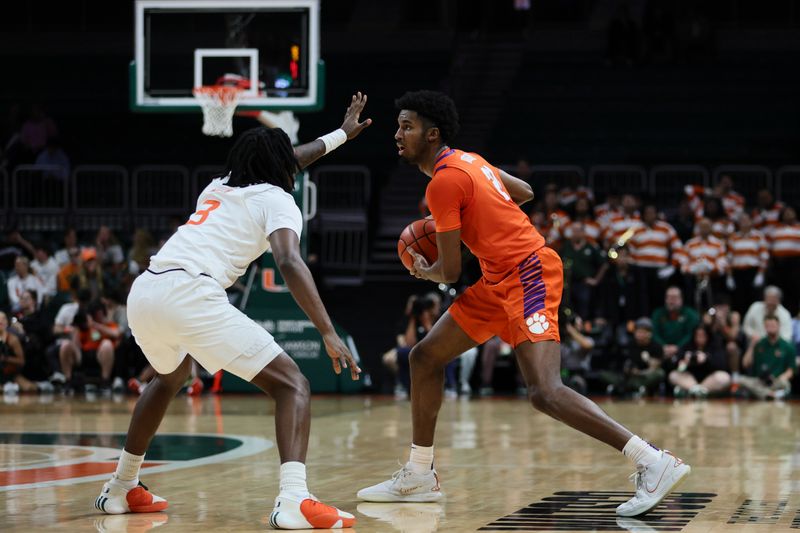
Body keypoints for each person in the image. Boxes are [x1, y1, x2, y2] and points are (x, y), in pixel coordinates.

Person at [357, 90, 690, 517]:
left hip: (528, 272)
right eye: (398, 125)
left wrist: (424, 270)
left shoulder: (444, 181)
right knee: (424, 358)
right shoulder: (469, 161)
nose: (398, 134)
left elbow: (451, 272)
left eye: (407, 126)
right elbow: (526, 191)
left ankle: (653, 461)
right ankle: (420, 474)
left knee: (545, 392)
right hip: (498, 280)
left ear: (432, 133)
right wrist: (488, 214)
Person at [92, 92, 370, 530]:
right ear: (281, 168)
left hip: (146, 290)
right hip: (191, 293)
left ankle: (121, 486)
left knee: (169, 378)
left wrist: (340, 135)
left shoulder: (219, 187)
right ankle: (295, 499)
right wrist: (327, 330)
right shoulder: (277, 200)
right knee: (293, 386)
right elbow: (290, 261)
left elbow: (291, 158)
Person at [599, 317, 664, 398]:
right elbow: (624, 365)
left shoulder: (656, 346)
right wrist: (628, 370)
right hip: (629, 377)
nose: (640, 334)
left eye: (643, 332)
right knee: (603, 374)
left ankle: (634, 387)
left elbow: (654, 367)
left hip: (644, 376)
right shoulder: (630, 345)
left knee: (660, 373)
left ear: (649, 334)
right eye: (638, 331)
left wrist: (646, 361)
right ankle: (632, 387)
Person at [739, 316, 796, 400]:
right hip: (760, 382)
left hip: (777, 381)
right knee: (741, 380)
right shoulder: (759, 344)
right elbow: (745, 364)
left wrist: (780, 378)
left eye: (773, 325)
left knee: (786, 384)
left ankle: (765, 393)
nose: (771, 328)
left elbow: (791, 370)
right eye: (768, 326)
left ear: (779, 326)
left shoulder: (788, 346)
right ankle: (770, 394)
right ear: (764, 327)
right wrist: (752, 345)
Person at [668, 326, 730, 398]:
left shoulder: (715, 346)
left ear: (708, 336)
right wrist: (684, 362)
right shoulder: (687, 346)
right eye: (697, 335)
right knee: (673, 375)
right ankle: (697, 391)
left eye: (703, 335)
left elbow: (722, 365)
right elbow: (675, 364)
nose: (700, 338)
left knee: (724, 377)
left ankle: (696, 391)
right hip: (690, 380)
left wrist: (706, 359)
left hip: (709, 380)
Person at [651, 286, 700, 364]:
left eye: (674, 298)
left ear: (681, 299)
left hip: (684, 350)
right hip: (661, 351)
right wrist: (664, 347)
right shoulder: (658, 313)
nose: (671, 301)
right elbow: (654, 333)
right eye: (668, 297)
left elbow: (691, 334)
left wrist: (678, 347)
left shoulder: (690, 314)